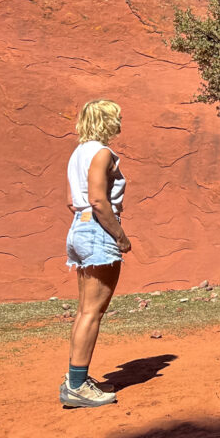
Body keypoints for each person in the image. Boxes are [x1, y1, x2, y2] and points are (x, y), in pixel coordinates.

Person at [59, 99, 132, 408]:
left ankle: (75, 378)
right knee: (93, 312)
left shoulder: (77, 154)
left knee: (84, 311)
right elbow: (99, 200)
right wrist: (120, 235)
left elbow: (71, 201)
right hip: (98, 229)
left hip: (79, 227)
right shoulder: (102, 153)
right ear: (107, 122)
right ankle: (77, 387)